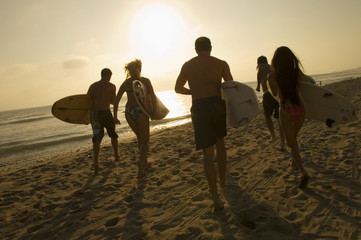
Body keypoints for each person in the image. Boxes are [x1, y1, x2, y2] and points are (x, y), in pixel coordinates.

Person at [175, 36, 233, 210]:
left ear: (195, 49)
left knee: (208, 153)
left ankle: (215, 198)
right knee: (220, 143)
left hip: (199, 107)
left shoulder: (188, 65)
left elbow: (177, 88)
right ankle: (222, 180)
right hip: (217, 104)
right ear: (211, 48)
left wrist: (194, 91)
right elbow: (230, 87)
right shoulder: (221, 63)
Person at [268, 46, 310, 188]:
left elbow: (274, 93)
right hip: (300, 109)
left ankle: (303, 172)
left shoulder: (272, 76)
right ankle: (293, 162)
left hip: (285, 110)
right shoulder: (297, 73)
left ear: (275, 60)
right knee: (294, 138)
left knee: (291, 144)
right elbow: (309, 86)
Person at [114, 59, 156, 176]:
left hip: (129, 112)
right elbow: (152, 97)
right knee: (145, 141)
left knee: (140, 138)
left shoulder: (125, 83)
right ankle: (141, 161)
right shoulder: (145, 81)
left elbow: (116, 101)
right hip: (141, 111)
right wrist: (153, 112)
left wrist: (115, 117)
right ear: (140, 68)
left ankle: (145, 163)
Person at [87, 68, 120, 174]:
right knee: (113, 134)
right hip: (106, 112)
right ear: (109, 75)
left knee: (96, 139)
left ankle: (96, 164)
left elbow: (87, 102)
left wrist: (87, 118)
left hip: (95, 115)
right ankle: (116, 156)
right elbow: (113, 101)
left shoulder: (93, 86)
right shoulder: (112, 86)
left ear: (101, 75)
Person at [256, 56, 285, 150]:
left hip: (268, 93)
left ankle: (273, 136)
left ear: (259, 62)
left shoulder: (261, 67)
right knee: (279, 118)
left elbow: (259, 74)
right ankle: (282, 143)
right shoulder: (273, 66)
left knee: (267, 115)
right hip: (277, 93)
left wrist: (257, 86)